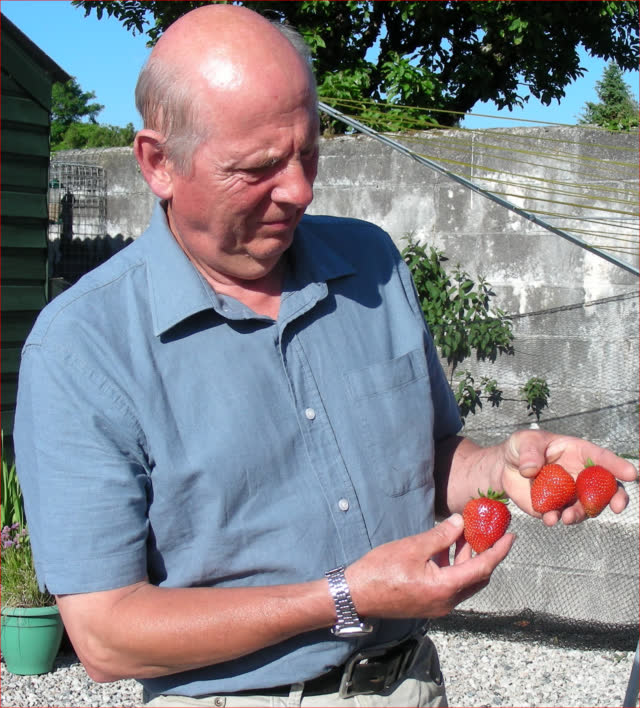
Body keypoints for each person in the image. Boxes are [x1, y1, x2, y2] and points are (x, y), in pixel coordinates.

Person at [13, 5, 636, 707]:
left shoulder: (369, 261)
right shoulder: (82, 349)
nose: (301, 190)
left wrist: (507, 470)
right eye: (258, 169)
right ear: (159, 163)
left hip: (409, 684)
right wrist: (343, 596)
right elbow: (104, 636)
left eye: (309, 152)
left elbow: (426, 457)